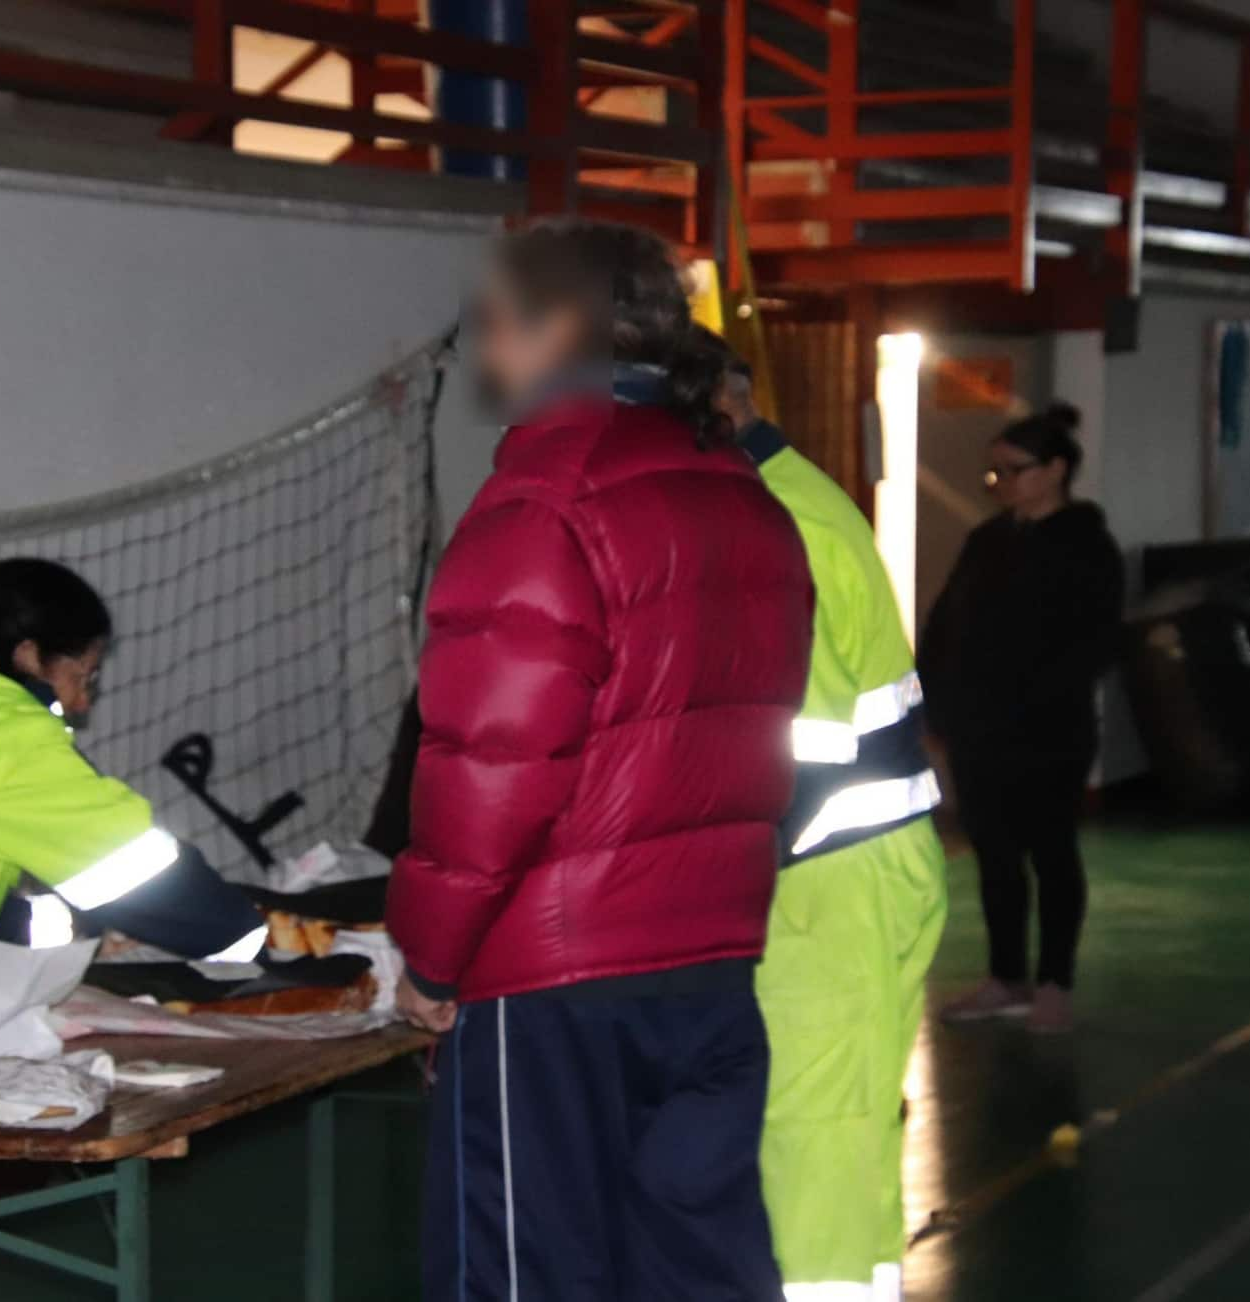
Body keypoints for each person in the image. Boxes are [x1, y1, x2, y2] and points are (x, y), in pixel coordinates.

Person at [386, 219, 815, 1302]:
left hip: (552, 978)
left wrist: (431, 959)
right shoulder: (743, 498)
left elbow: (495, 759)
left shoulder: (544, 501)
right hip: (710, 959)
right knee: (693, 1263)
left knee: (525, 1271)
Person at [710, 341, 948, 1301]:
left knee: (814, 1169)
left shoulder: (778, 530)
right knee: (831, 1159)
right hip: (848, 880)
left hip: (826, 889)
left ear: (713, 414)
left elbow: (786, 768)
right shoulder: (792, 498)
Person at [0, 558, 268, 961]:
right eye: (85, 676)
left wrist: (81, 934)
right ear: (30, 656)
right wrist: (260, 943)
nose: (83, 703)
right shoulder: (3, 735)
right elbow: (140, 877)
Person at [921, 402, 1124, 1034]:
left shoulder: (1088, 547)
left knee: (1052, 853)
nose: (1001, 483)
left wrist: (1030, 700)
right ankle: (1004, 977)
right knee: (995, 858)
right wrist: (937, 704)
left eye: (1013, 470)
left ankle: (1054, 982)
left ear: (1056, 470)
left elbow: (1093, 644)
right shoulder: (988, 541)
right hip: (980, 732)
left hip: (1048, 734)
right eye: (995, 473)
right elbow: (944, 626)